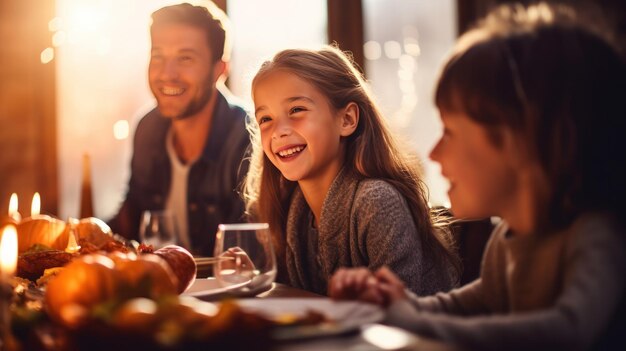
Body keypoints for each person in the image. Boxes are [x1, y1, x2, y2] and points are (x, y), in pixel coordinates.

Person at [328, 3, 626, 350]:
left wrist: (413, 321)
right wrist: (396, 305)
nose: (435, 152)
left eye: (450, 132)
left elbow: (568, 332)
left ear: (519, 142)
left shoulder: (596, 236)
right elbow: (465, 306)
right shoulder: (507, 238)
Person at [244, 46, 460, 296]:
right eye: (265, 119)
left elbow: (396, 315)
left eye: (296, 110)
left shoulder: (377, 202)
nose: (279, 130)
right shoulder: (290, 208)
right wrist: (251, 278)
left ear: (346, 120)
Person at [108, 2, 250, 256]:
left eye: (185, 58)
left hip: (223, 291)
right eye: (158, 56)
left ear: (220, 70)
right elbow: (129, 221)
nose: (167, 74)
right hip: (156, 289)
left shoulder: (249, 137)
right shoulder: (148, 128)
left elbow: (249, 252)